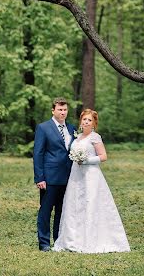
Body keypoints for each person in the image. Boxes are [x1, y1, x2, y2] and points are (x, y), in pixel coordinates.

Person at [53, 109, 130, 254]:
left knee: (90, 204)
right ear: (81, 121)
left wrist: (86, 160)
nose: (86, 122)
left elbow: (103, 156)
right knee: (75, 204)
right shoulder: (77, 136)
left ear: (94, 123)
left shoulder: (95, 137)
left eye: (89, 120)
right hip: (76, 175)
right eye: (84, 119)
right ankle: (72, 239)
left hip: (91, 176)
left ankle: (91, 240)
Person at [33, 97, 75, 251]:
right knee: (45, 210)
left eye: (65, 110)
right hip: (49, 178)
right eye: (60, 110)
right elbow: (38, 153)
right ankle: (44, 243)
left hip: (68, 177)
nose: (63, 112)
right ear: (53, 110)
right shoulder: (44, 128)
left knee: (62, 211)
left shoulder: (71, 128)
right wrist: (40, 178)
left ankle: (59, 240)